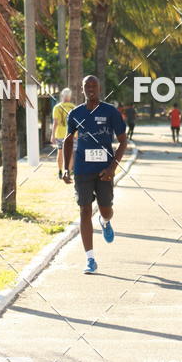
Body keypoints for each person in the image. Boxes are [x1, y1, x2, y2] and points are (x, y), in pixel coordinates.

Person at [63, 75, 127, 274]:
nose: (90, 88)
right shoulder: (75, 113)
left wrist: (112, 168)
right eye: (86, 86)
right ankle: (90, 259)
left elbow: (123, 142)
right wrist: (66, 167)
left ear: (99, 88)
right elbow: (67, 140)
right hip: (82, 169)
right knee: (84, 211)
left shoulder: (110, 112)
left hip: (104, 172)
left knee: (106, 209)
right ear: (81, 89)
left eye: (94, 85)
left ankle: (105, 222)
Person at [51, 87, 75, 178]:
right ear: (70, 97)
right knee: (70, 153)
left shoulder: (57, 107)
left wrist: (52, 135)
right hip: (71, 134)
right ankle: (68, 172)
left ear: (62, 96)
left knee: (60, 152)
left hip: (60, 134)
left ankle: (60, 171)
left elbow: (55, 123)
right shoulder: (74, 107)